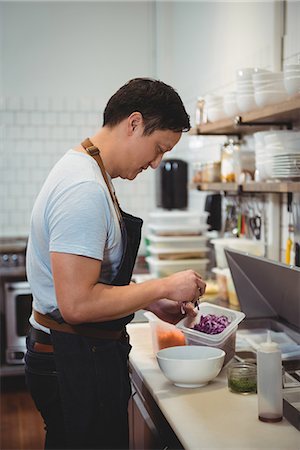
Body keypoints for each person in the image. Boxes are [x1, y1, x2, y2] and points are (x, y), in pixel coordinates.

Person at [25, 77, 206, 450]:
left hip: (77, 356)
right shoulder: (84, 188)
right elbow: (77, 305)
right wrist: (163, 287)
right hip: (73, 361)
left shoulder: (90, 173)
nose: (156, 164)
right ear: (134, 123)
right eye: (158, 149)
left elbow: (92, 287)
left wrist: (147, 300)